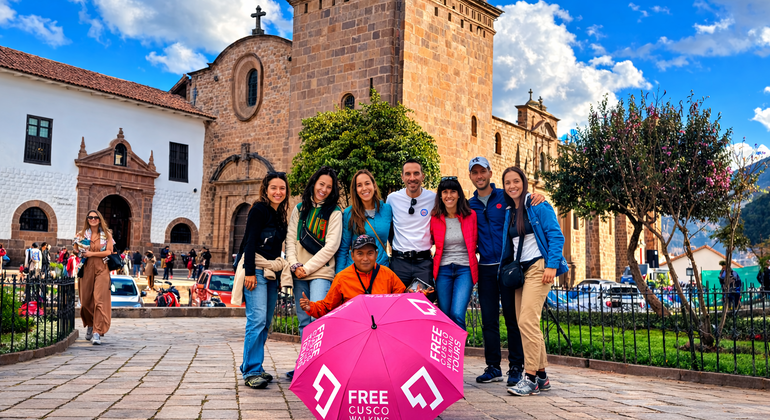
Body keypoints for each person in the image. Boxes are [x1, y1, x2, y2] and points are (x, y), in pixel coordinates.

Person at [468, 157, 545, 386]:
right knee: (489, 319)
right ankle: (493, 367)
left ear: (490, 173)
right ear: (471, 176)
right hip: (485, 268)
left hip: (509, 267)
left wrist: (537, 196)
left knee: (514, 319)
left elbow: (525, 201)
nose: (479, 176)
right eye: (475, 173)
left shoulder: (505, 196)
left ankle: (516, 367)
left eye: (483, 172)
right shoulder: (469, 204)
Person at [500, 166, 568, 397]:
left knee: (527, 321)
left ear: (524, 182)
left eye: (516, 181)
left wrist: (552, 265)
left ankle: (529, 379)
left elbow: (556, 235)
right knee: (526, 322)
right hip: (521, 270)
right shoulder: (510, 211)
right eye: (507, 182)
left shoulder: (537, 204)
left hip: (539, 266)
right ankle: (541, 375)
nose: (512, 186)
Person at [285, 166, 343, 379]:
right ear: (314, 183)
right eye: (321, 184)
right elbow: (290, 239)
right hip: (298, 271)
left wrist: (307, 268)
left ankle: (320, 368)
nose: (324, 189)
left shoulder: (334, 213)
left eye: (329, 187)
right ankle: (305, 365)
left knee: (317, 319)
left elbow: (331, 246)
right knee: (303, 320)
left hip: (321, 273)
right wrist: (294, 265)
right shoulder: (299, 209)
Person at [236, 172, 290, 389]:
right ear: (266, 189)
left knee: (266, 322)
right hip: (255, 269)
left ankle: (254, 365)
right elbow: (249, 242)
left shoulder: (280, 214)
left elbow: (277, 249)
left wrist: (278, 274)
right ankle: (250, 371)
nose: (278, 192)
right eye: (274, 188)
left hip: (271, 273)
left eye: (282, 188)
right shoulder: (258, 209)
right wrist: (249, 271)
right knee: (256, 320)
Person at [301, 234, 407, 318]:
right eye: (360, 253)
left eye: (370, 253)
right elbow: (327, 307)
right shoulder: (342, 278)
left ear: (376, 254)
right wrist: (310, 307)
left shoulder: (388, 274)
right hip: (352, 328)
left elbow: (403, 299)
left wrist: (417, 294)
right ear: (352, 255)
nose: (365, 259)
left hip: (382, 327)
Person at [430, 176, 478, 330]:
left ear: (459, 195)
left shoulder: (471, 216)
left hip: (465, 269)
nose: (449, 195)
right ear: (440, 196)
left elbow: (477, 241)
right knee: (444, 315)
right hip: (443, 269)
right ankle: (446, 353)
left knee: (457, 313)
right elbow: (428, 241)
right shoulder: (435, 218)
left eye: (452, 191)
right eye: (445, 192)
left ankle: (458, 353)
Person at [387, 159, 436, 288]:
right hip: (399, 262)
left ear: (423, 176)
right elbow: (389, 227)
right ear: (402, 177)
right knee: (397, 303)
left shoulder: (433, 198)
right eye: (408, 174)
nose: (412, 178)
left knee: (423, 303)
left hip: (423, 263)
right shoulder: (392, 199)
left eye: (416, 173)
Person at [336, 169, 392, 272]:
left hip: (381, 270)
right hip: (356, 272)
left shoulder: (387, 210)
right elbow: (344, 248)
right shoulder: (349, 213)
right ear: (355, 190)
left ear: (374, 186)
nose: (364, 188)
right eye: (359, 185)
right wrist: (339, 276)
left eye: (367, 183)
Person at [73, 210, 115, 345]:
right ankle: (90, 323)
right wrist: (79, 250)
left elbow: (109, 251)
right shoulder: (81, 234)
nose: (93, 219)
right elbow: (74, 249)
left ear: (99, 219)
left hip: (102, 268)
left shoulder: (107, 234)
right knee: (85, 302)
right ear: (87, 219)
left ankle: (97, 331)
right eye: (90, 217)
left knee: (99, 300)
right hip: (86, 269)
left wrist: (90, 254)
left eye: (96, 217)